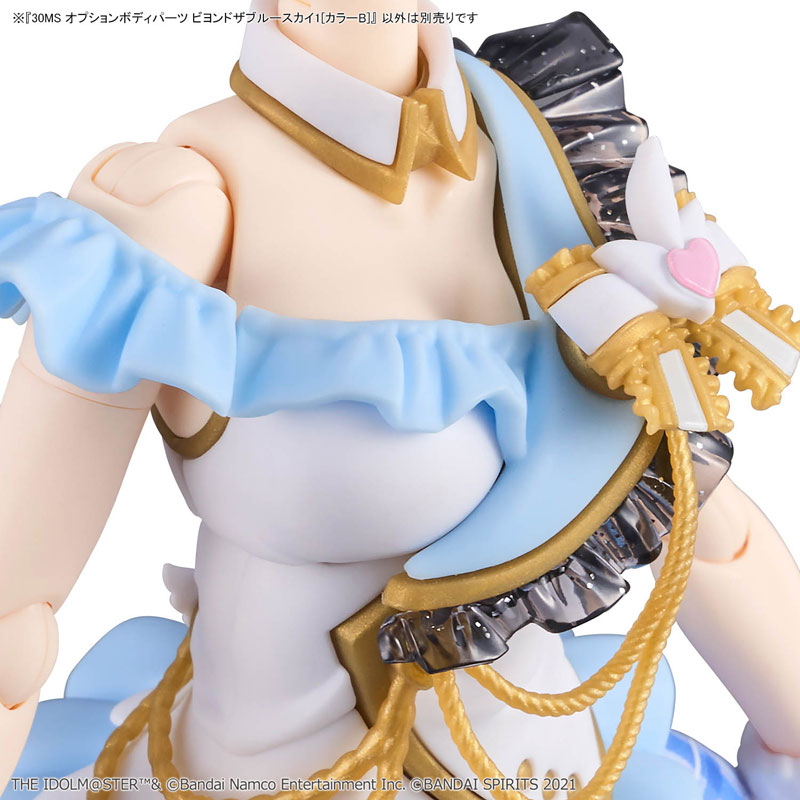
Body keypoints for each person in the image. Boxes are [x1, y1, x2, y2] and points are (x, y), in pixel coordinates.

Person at [1, 3, 799, 799]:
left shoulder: (557, 138)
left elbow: (697, 510)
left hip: (557, 766)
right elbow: (14, 606)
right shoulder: (171, 208)